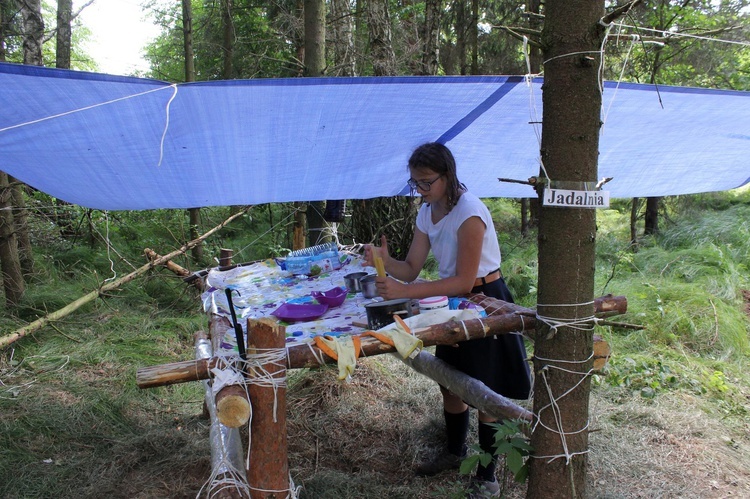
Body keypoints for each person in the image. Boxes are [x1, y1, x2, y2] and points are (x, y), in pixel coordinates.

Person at [364, 142, 531, 498]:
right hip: (454, 303)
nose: (421, 190)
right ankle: (456, 452)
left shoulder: (469, 213)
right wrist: (385, 261)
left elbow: (464, 280)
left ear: (448, 175)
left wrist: (403, 290)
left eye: (426, 182)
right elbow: (410, 269)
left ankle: (487, 477)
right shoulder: (427, 211)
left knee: (485, 392)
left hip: (485, 300)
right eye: (415, 184)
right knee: (451, 383)